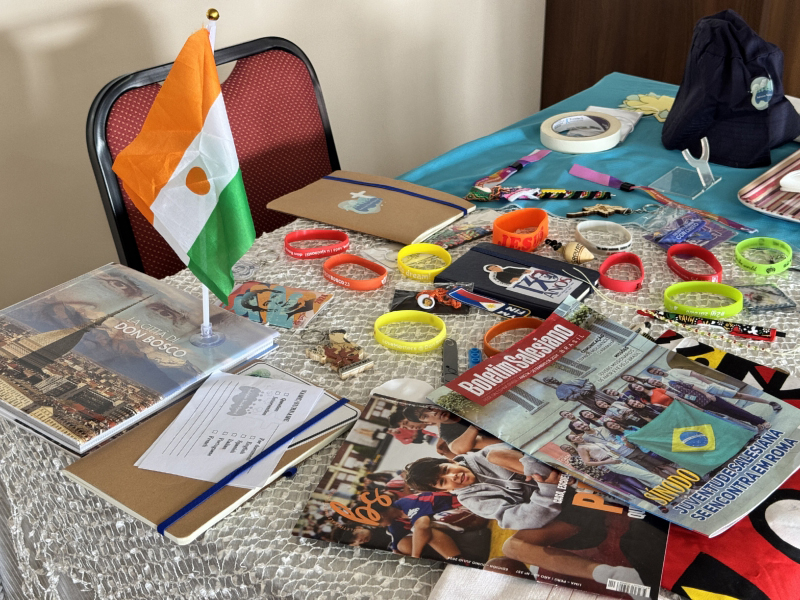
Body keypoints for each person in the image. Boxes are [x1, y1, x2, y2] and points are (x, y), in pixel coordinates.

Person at [404, 444, 647, 590]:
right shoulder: (470, 500)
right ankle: (618, 577)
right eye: (443, 482)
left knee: (496, 456)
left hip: (571, 484)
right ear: (443, 490)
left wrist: (548, 481)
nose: (453, 477)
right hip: (563, 508)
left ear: (448, 461)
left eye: (446, 470)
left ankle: (595, 488)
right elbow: (521, 519)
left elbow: (539, 462)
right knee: (511, 548)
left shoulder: (486, 454)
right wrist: (549, 490)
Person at [650, 379, 771, 431]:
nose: (656, 382)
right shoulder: (666, 392)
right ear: (654, 386)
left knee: (734, 409)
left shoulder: (672, 382)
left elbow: (692, 386)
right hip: (702, 405)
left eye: (655, 380)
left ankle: (762, 421)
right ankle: (755, 422)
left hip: (708, 398)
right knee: (731, 415)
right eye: (653, 383)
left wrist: (707, 394)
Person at [646, 366, 782, 411]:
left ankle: (769, 402)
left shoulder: (674, 371)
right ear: (654, 375)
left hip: (708, 387)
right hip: (700, 396)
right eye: (654, 373)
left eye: (656, 370)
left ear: (658, 369)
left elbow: (694, 374)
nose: (657, 372)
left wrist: (710, 383)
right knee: (729, 406)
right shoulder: (664, 382)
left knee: (738, 395)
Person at [566, 433, 666, 490]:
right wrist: (607, 462)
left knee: (646, 473)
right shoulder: (581, 448)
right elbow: (587, 463)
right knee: (645, 475)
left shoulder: (589, 442)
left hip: (620, 458)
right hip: (611, 463)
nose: (577, 437)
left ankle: (664, 489)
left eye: (576, 435)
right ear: (573, 441)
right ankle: (671, 486)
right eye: (574, 438)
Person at [544, 377, 617, 412]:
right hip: (586, 399)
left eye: (552, 378)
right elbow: (570, 397)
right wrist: (581, 395)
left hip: (594, 393)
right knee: (603, 409)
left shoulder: (572, 380)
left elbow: (587, 383)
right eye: (550, 380)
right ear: (549, 383)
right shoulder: (559, 391)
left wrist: (587, 390)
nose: (553, 380)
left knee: (612, 401)